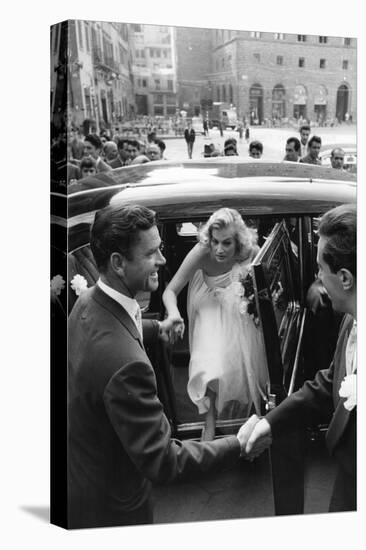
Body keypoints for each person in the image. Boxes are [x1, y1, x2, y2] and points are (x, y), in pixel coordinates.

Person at [68, 204, 266, 529]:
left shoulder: (88, 302)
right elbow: (163, 461)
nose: (162, 259)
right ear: (118, 263)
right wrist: (238, 445)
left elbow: (120, 326)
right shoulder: (126, 365)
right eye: (152, 253)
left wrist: (154, 329)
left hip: (88, 472)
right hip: (115, 508)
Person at [244, 203, 357, 512]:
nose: (318, 277)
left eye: (321, 268)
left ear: (345, 278)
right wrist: (270, 423)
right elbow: (331, 381)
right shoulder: (351, 320)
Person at [163, 208, 270, 441]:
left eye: (227, 243)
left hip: (237, 304)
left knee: (245, 360)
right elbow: (171, 290)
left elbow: (268, 276)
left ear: (238, 242)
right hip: (207, 301)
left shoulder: (250, 250)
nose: (219, 249)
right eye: (215, 242)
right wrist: (174, 313)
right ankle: (209, 424)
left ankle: (254, 420)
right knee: (209, 365)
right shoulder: (202, 251)